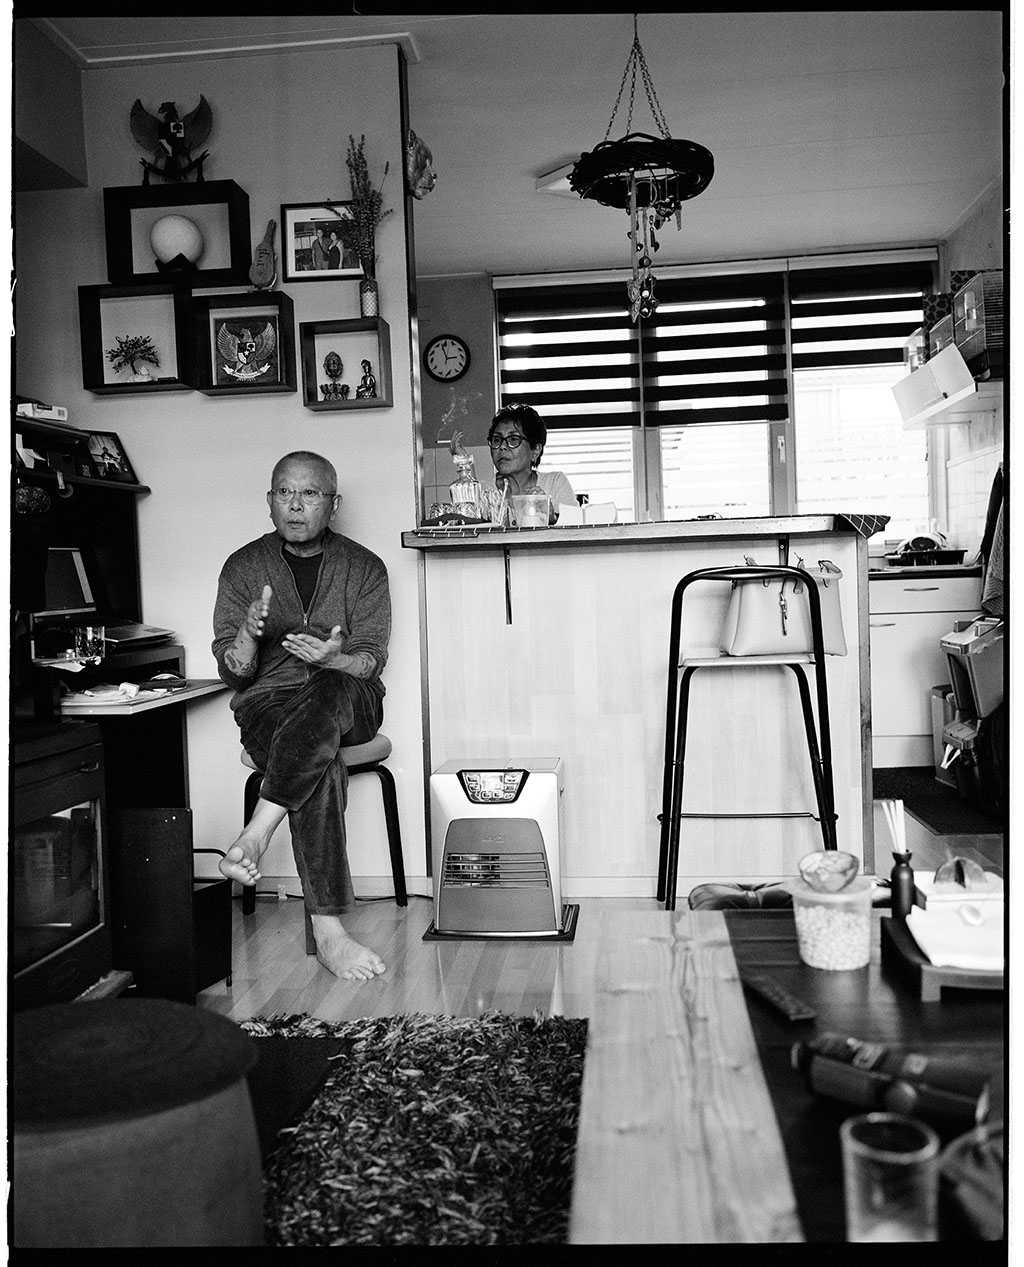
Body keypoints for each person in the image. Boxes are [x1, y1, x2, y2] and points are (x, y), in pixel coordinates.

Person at [212, 451, 391, 982]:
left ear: (333, 504)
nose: (295, 504)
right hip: (268, 704)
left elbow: (372, 657)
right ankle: (329, 933)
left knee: (328, 690)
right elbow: (235, 673)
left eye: (309, 493)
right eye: (284, 492)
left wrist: (336, 661)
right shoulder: (243, 567)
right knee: (320, 760)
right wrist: (247, 635)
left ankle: (257, 830)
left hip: (349, 697)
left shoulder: (365, 567)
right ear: (269, 501)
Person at [478, 403, 576, 524]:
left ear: (535, 450)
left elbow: (578, 530)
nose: (502, 447)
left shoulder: (555, 483)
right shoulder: (481, 492)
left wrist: (552, 518)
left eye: (513, 439)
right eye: (497, 440)